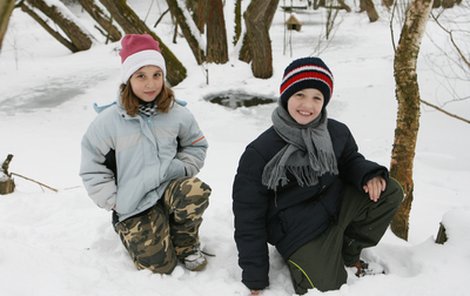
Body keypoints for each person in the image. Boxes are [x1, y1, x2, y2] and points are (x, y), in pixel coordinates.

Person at [232, 57, 403, 295]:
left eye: (317, 97)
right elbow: (248, 217)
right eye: (300, 94)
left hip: (335, 208)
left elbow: (351, 161)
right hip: (299, 232)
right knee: (328, 289)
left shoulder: (336, 132)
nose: (308, 105)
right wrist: (255, 277)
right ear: (286, 95)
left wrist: (369, 175)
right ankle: (310, 262)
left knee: (390, 190)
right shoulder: (260, 151)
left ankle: (348, 251)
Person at [80, 34, 211, 274]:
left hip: (169, 188)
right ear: (128, 79)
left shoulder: (177, 114)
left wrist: (182, 168)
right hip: (134, 201)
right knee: (161, 269)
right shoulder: (108, 122)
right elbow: (92, 166)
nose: (150, 84)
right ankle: (145, 230)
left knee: (195, 190)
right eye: (141, 76)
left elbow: (196, 145)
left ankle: (185, 242)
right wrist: (113, 200)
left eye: (156, 75)